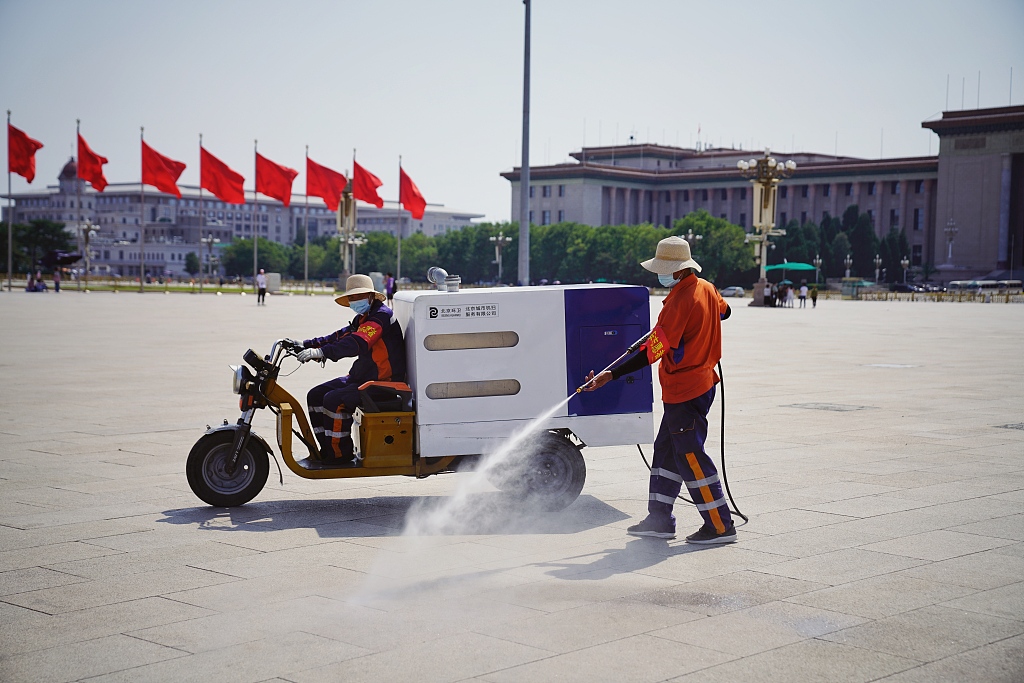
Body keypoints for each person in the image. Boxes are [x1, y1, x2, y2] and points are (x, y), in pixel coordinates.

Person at [584, 236, 735, 544]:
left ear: (676, 271)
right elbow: (725, 311)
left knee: (691, 455)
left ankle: (720, 525)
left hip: (687, 389)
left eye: (662, 270)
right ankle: (659, 520)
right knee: (666, 451)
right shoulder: (706, 287)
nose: (659, 275)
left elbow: (651, 352)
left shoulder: (680, 301)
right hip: (699, 383)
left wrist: (611, 374)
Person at [296, 274, 407, 465]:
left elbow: (356, 342)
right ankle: (327, 448)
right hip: (362, 377)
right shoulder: (362, 318)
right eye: (352, 297)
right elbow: (339, 336)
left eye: (359, 296)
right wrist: (305, 344)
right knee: (315, 395)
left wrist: (322, 352)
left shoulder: (380, 317)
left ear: (371, 296)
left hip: (383, 383)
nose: (355, 300)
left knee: (334, 400)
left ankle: (340, 455)